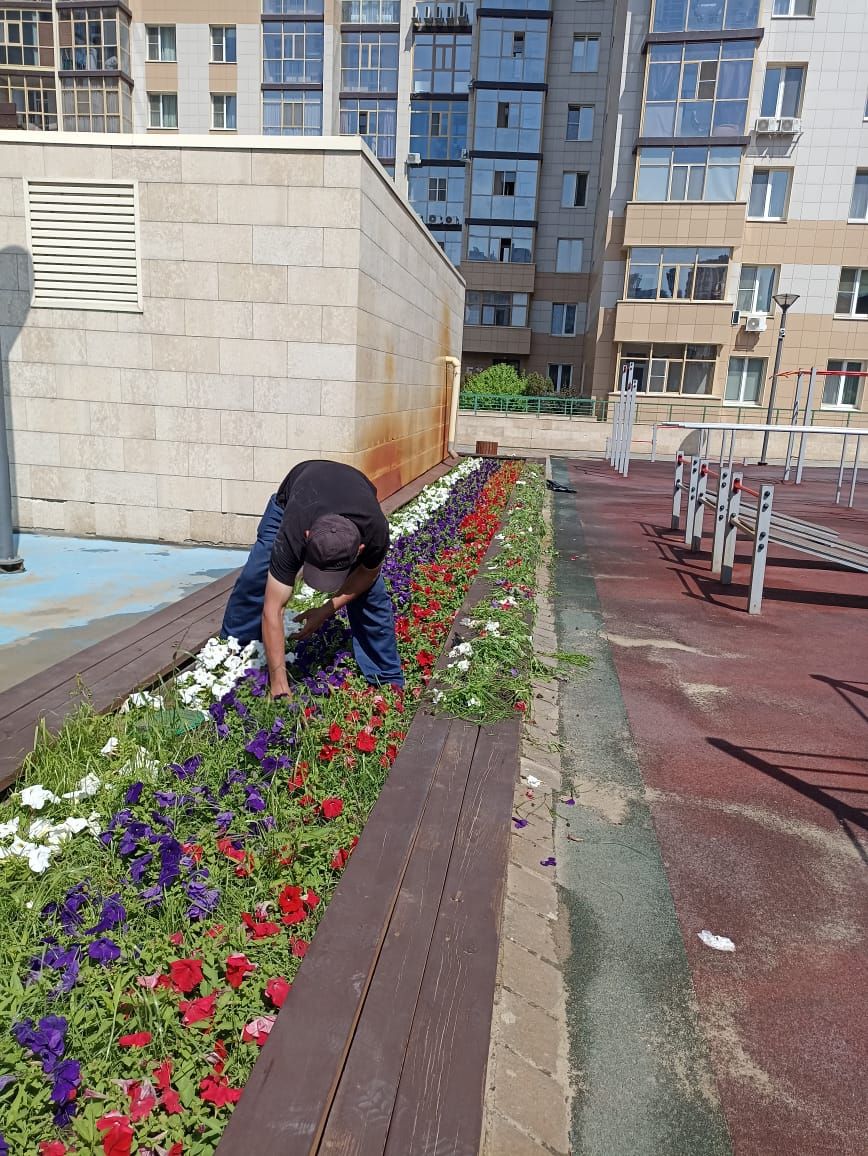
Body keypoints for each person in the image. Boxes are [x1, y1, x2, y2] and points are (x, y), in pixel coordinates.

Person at [220, 460, 404, 699]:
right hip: (294, 497)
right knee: (256, 576)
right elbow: (272, 609)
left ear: (359, 549)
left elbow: (367, 575)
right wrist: (279, 685)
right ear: (307, 538)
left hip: (352, 492)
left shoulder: (375, 532)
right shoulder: (293, 531)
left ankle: (386, 679)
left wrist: (325, 610)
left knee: (372, 597)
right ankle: (234, 649)